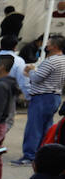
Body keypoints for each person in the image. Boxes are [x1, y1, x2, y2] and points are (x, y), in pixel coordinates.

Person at [16, 35, 65, 165]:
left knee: (34, 127)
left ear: (54, 46)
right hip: (54, 96)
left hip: (42, 97)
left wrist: (31, 71)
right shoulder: (63, 60)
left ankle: (29, 155)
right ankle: (42, 153)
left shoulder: (51, 61)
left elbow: (37, 78)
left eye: (48, 43)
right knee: (46, 127)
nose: (46, 45)